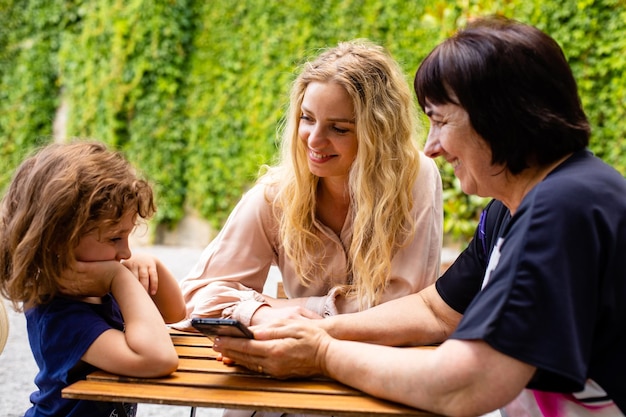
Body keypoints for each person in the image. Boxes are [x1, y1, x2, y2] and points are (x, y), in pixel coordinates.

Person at [211, 17, 626, 417]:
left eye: (442, 121)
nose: (431, 148)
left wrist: (321, 353)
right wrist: (311, 331)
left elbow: (466, 384)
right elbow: (436, 311)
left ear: (502, 121)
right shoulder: (516, 208)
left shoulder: (561, 212)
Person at [176, 39, 443, 330]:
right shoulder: (277, 196)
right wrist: (261, 313)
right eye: (307, 118)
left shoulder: (415, 177)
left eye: (339, 128)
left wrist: (293, 308)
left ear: (378, 133)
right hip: (297, 362)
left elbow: (403, 304)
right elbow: (196, 298)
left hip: (390, 362)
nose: (314, 140)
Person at [0, 141, 186, 417]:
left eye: (127, 236)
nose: (126, 252)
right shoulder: (59, 315)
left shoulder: (98, 279)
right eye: (114, 238)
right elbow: (158, 359)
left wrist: (152, 264)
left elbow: (174, 313)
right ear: (59, 239)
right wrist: (120, 277)